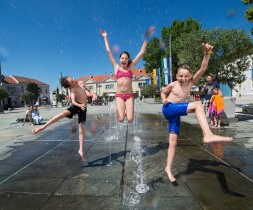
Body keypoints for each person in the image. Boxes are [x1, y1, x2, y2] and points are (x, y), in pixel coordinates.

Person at [161, 43, 233, 184]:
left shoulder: (191, 82)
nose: (183, 78)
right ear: (176, 76)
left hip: (176, 114)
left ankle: (168, 168)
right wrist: (164, 100)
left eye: (186, 76)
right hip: (169, 108)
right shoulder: (173, 84)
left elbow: (203, 68)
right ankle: (208, 135)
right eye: (180, 76)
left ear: (191, 76)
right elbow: (163, 92)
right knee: (197, 104)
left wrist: (206, 54)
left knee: (173, 142)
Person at [32, 76, 97, 161]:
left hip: (83, 109)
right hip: (77, 106)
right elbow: (73, 101)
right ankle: (43, 127)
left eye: (72, 78)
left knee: (81, 129)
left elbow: (89, 90)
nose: (74, 79)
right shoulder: (72, 90)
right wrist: (80, 105)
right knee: (62, 114)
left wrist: (93, 94)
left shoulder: (81, 83)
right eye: (72, 81)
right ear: (71, 86)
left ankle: (81, 149)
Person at [100, 26, 155, 122]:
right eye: (122, 58)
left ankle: (126, 110)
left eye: (126, 58)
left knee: (130, 119)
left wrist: (146, 38)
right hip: (119, 95)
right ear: (119, 59)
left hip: (129, 95)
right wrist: (105, 37)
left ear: (128, 60)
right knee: (121, 119)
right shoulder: (116, 67)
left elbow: (142, 52)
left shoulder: (131, 66)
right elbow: (109, 51)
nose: (124, 60)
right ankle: (121, 111)